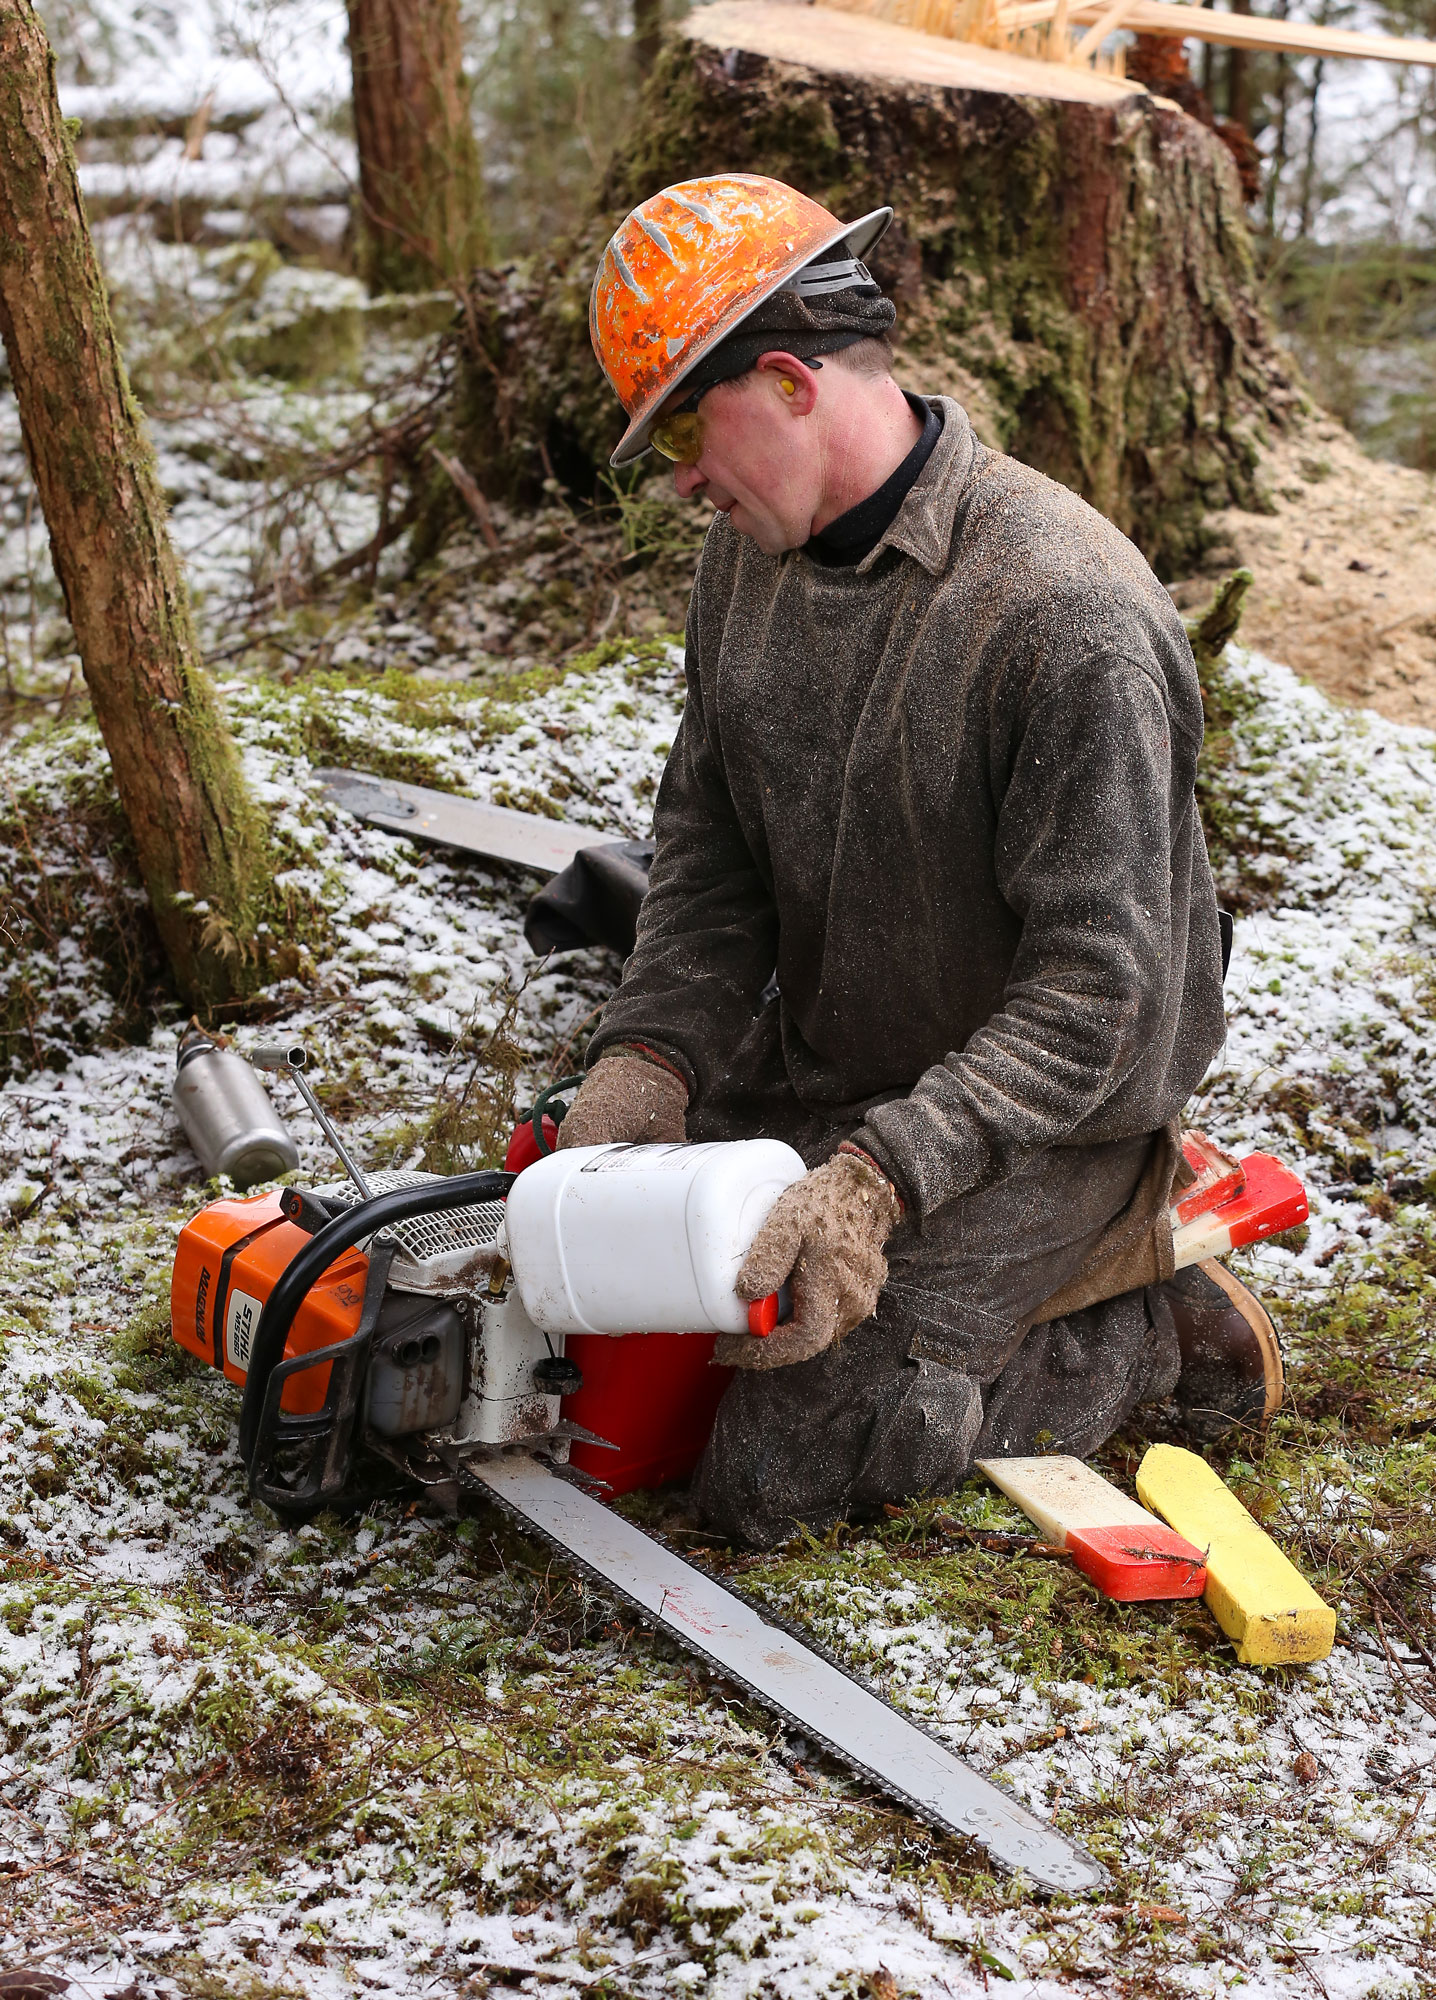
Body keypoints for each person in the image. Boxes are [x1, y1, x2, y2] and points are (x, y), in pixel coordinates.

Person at [555, 173, 1282, 1550]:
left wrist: (879, 1180)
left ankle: (1128, 1315)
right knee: (603, 1317)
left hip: (1045, 1119)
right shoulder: (744, 570)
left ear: (785, 380)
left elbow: (1097, 999)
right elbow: (709, 857)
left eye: (686, 440)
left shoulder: (1066, 617)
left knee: (773, 1470)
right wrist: (648, 1062)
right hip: (842, 1066)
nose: (685, 485)